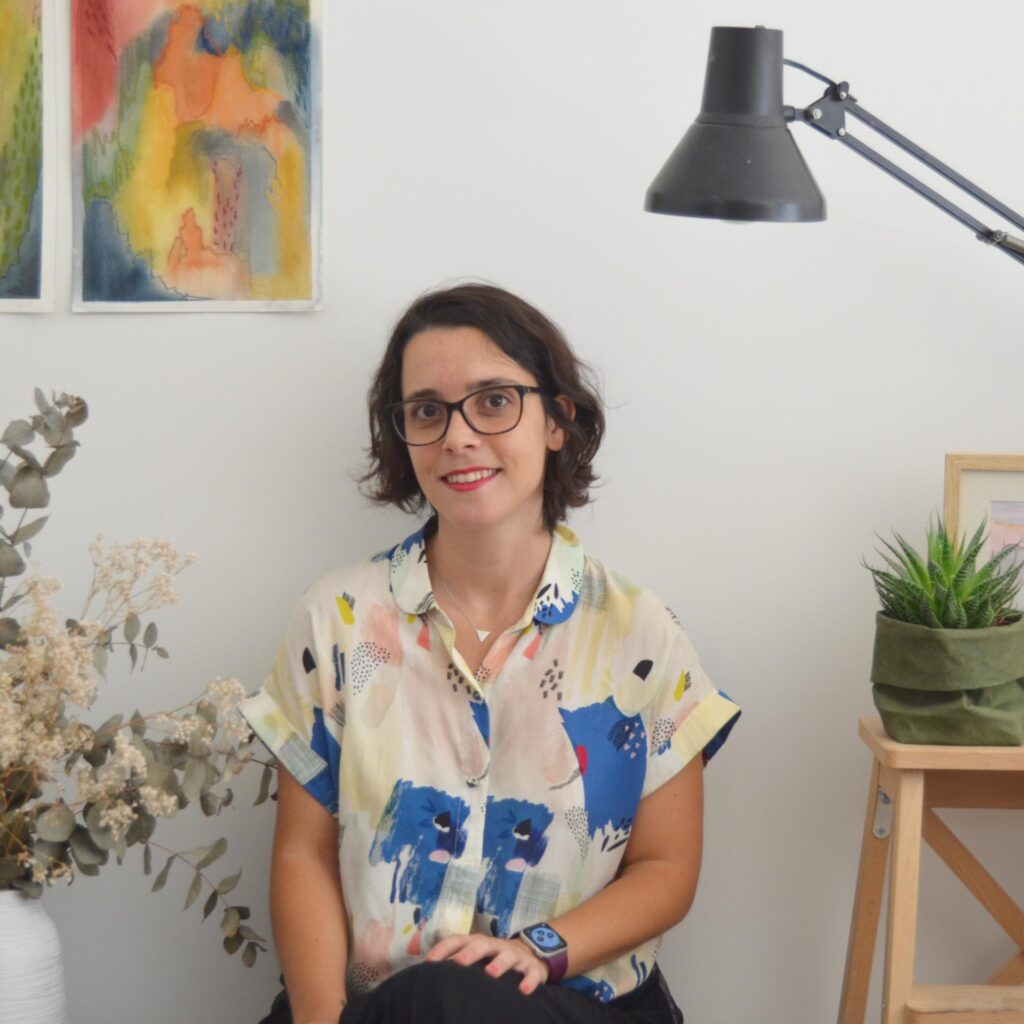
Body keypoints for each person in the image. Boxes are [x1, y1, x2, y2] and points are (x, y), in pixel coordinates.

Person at [245, 283, 741, 1024]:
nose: (458, 436)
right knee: (427, 999)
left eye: (494, 401)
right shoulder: (335, 619)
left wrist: (538, 949)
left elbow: (666, 869)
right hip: (369, 1013)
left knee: (449, 994)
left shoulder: (641, 633)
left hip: (570, 1004)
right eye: (427, 411)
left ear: (557, 420)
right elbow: (302, 856)